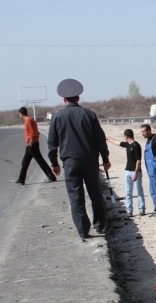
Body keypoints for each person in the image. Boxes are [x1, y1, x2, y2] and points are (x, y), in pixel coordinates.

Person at [47, 78, 111, 241]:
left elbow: (52, 143)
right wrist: (105, 158)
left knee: (75, 196)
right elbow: (100, 139)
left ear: (64, 99)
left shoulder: (57, 117)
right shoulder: (89, 115)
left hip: (70, 162)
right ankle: (100, 224)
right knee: (95, 192)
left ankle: (83, 229)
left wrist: (54, 163)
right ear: (78, 98)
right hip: (90, 160)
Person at [12, 107, 57, 185]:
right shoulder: (29, 120)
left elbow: (33, 133)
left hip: (32, 144)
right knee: (25, 162)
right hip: (30, 144)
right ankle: (21, 179)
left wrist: (31, 142)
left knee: (40, 161)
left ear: (21, 114)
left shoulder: (28, 120)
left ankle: (51, 176)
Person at [106, 129, 146, 217]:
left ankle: (142, 208)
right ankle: (129, 210)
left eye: (124, 136)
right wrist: (110, 139)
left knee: (139, 191)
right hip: (127, 171)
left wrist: (136, 173)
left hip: (135, 172)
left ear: (126, 136)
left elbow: (138, 161)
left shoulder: (136, 145)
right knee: (128, 192)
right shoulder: (127, 144)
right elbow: (119, 143)